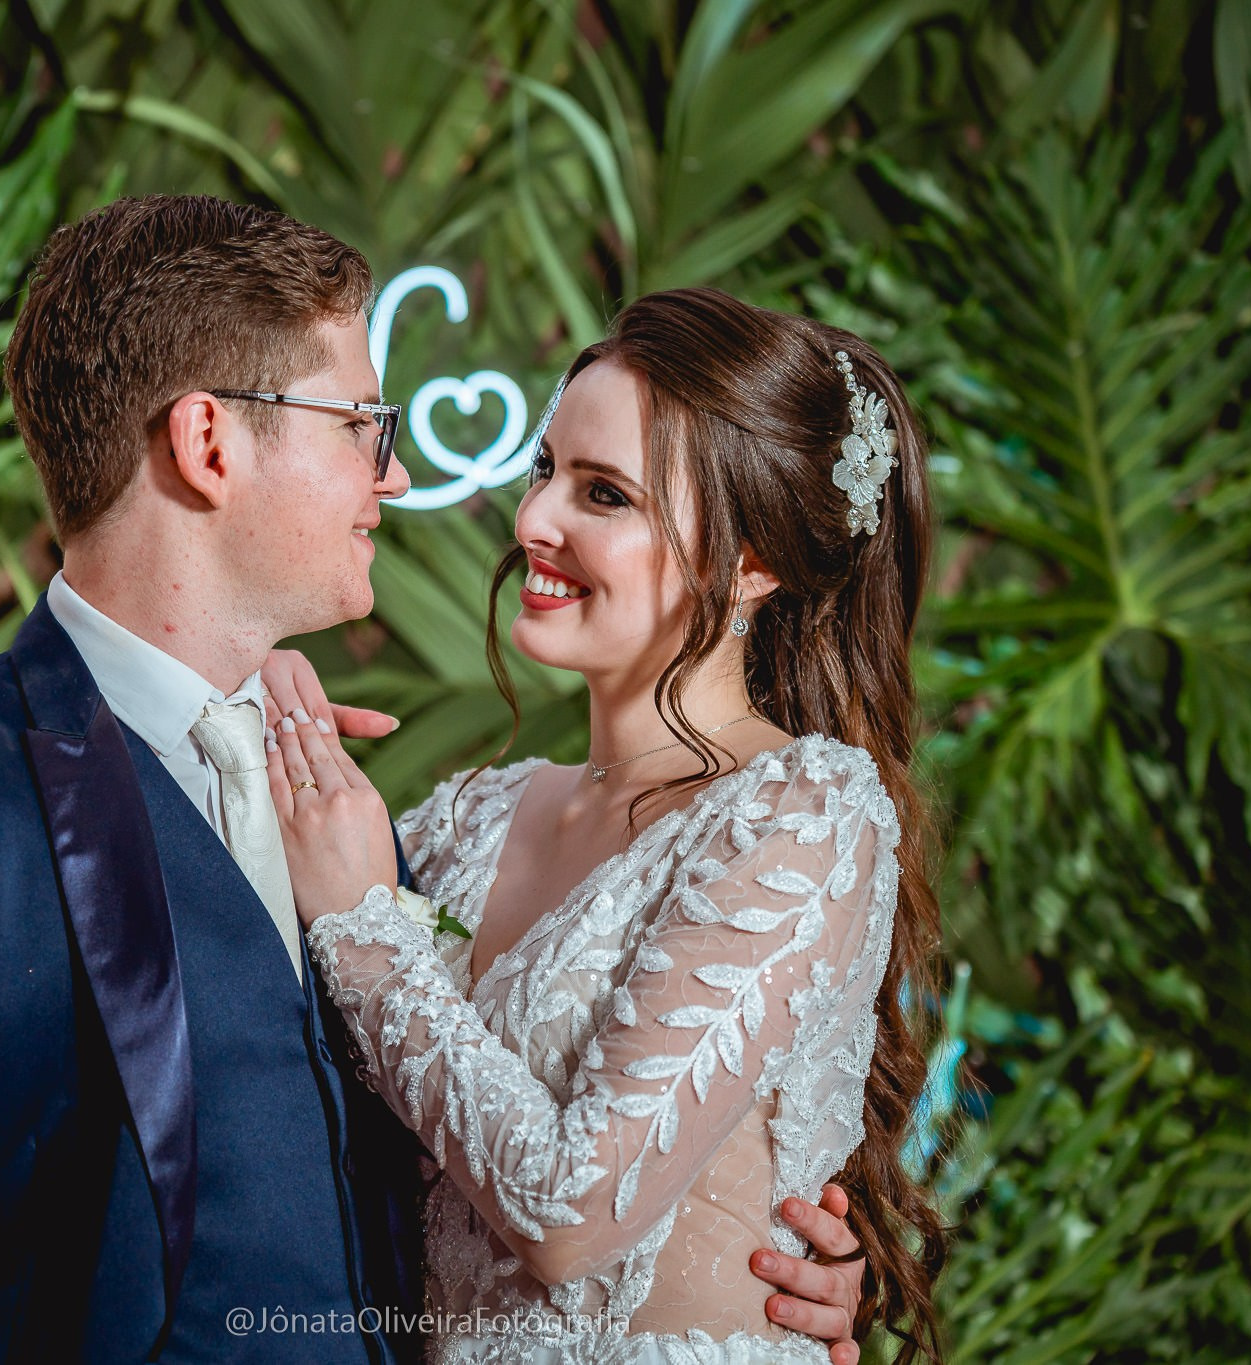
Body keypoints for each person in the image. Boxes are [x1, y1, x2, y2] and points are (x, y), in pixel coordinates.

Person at [0, 202, 869, 1362]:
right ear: (208, 441)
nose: (398, 478)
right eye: (361, 429)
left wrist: (727, 1257)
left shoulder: (361, 827)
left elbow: (522, 1164)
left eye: (596, 491)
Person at [263, 288, 945, 1362]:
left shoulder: (796, 814)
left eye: (604, 494)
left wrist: (363, 932)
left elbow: (572, 1215)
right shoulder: (463, 823)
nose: (532, 520)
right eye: (543, 472)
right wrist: (251, 706)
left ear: (751, 561)